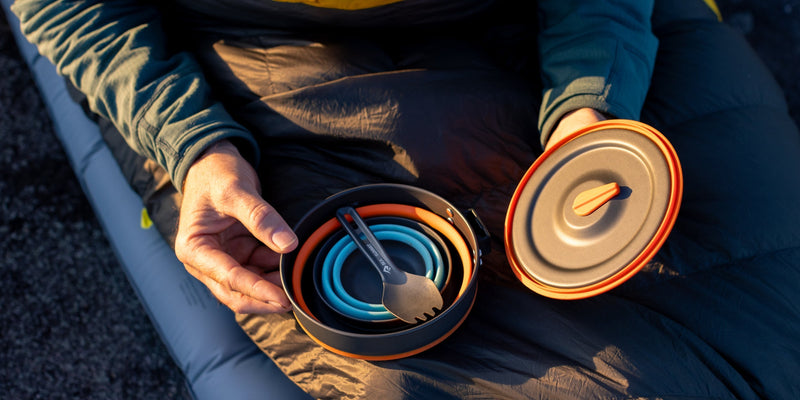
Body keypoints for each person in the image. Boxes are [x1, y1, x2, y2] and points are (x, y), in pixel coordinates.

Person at [13, 0, 800, 398]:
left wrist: (592, 102)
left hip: (560, 21)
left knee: (772, 311)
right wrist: (196, 147)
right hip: (256, 49)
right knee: (409, 360)